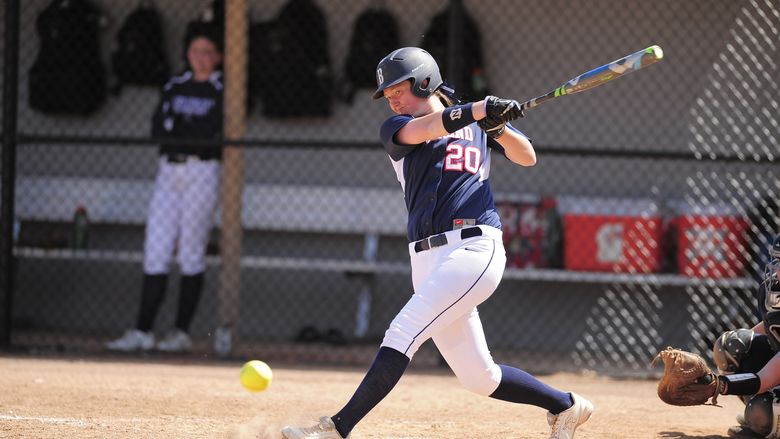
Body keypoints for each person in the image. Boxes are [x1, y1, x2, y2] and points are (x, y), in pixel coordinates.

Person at [281, 47, 593, 439]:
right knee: (480, 377)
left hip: (474, 248)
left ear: (424, 79)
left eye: (398, 88)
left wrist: (496, 127)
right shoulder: (396, 127)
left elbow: (527, 156)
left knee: (402, 331)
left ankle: (336, 428)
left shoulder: (479, 124)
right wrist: (480, 110)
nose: (392, 98)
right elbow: (429, 128)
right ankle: (565, 406)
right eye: (387, 93)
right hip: (426, 259)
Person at [106, 23, 224, 353]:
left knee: (190, 251)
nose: (200, 58)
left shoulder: (221, 89)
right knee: (155, 249)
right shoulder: (175, 85)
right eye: (195, 51)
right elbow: (158, 129)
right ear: (187, 54)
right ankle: (142, 329)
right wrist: (188, 132)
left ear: (218, 57)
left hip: (202, 172)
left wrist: (184, 129)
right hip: (168, 173)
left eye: (207, 52)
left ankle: (180, 332)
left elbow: (212, 131)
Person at [702, 233, 780, 437]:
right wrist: (741, 343)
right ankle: (756, 412)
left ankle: (763, 420)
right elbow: (771, 325)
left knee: (765, 414)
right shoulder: (772, 292)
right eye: (778, 261)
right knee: (733, 345)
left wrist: (716, 385)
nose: (778, 271)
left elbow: (764, 379)